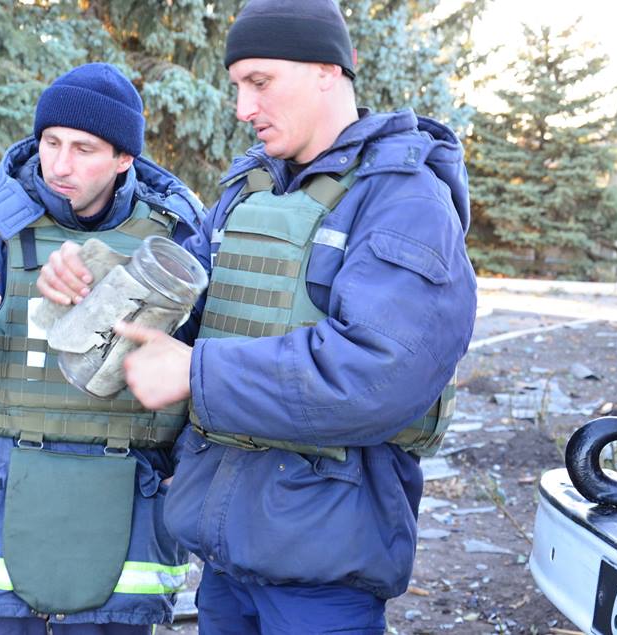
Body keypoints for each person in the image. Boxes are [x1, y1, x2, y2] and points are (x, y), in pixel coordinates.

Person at [37, 1, 479, 633]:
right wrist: (94, 282)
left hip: (323, 576)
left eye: (260, 82)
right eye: (237, 85)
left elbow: (378, 375)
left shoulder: (404, 200)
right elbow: (185, 310)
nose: (243, 107)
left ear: (328, 71)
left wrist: (198, 374)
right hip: (226, 563)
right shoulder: (251, 193)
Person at [0, 62, 204, 635]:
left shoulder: (179, 241)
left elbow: (207, 374)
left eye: (84, 148)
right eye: (51, 142)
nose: (60, 164)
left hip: (125, 523)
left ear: (124, 158)